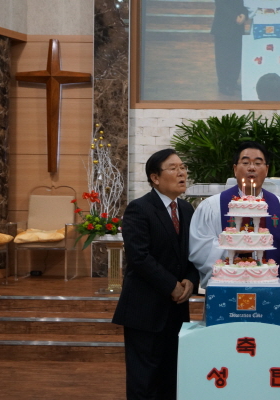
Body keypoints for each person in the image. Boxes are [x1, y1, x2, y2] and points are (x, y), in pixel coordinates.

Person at [112, 149, 199, 400]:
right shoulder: (139, 209)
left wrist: (191, 280)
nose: (181, 173)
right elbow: (139, 257)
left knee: (172, 377)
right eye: (173, 168)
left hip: (177, 310)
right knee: (144, 382)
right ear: (155, 178)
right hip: (145, 309)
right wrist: (171, 285)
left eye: (183, 167)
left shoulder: (186, 209)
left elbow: (194, 253)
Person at [189, 141, 280, 289]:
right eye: (246, 162)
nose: (252, 168)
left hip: (269, 290)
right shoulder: (212, 206)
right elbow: (200, 247)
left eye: (258, 163)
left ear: (266, 170)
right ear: (235, 169)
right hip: (225, 289)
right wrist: (235, 247)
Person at [211, 0, 248, 96]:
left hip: (238, 27)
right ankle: (223, 85)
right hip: (223, 26)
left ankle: (232, 81)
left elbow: (245, 3)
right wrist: (235, 16)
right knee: (223, 57)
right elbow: (220, 4)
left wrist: (244, 14)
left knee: (236, 56)